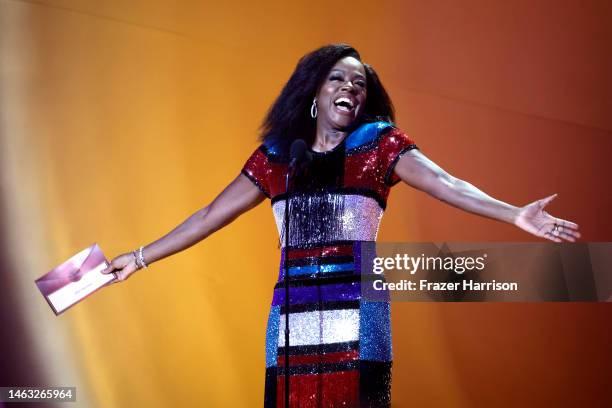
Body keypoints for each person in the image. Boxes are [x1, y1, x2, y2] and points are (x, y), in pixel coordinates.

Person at [101, 44, 580, 407]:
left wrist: (513, 213)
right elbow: (207, 216)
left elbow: (444, 182)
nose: (350, 88)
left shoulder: (379, 145)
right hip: (292, 316)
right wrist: (139, 258)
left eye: (359, 83)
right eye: (338, 79)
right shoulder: (275, 159)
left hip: (359, 311)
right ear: (314, 90)